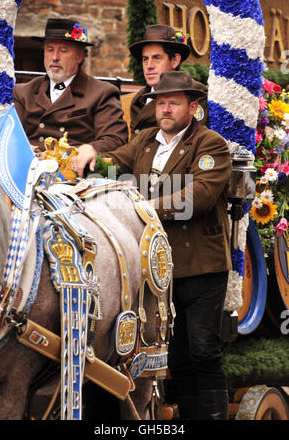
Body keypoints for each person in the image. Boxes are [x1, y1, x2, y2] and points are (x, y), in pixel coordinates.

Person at [78, 71, 232, 420]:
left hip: (200, 268)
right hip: (156, 269)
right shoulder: (146, 139)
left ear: (193, 108)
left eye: (173, 103)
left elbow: (198, 197)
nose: (164, 109)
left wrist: (140, 204)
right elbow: (114, 164)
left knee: (203, 350)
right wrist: (89, 160)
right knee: (174, 356)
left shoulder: (210, 145)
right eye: (160, 102)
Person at [13, 18, 128, 173]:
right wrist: (19, 147)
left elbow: (115, 138)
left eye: (63, 50)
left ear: (80, 57)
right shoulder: (22, 92)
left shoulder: (102, 93)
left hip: (71, 176)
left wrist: (91, 148)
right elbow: (10, 135)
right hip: (25, 171)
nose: (55, 57)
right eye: (49, 49)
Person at [126, 24, 208, 138]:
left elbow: (192, 139)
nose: (149, 65)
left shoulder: (194, 92)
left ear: (175, 61)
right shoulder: (139, 99)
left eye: (156, 58)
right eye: (145, 59)